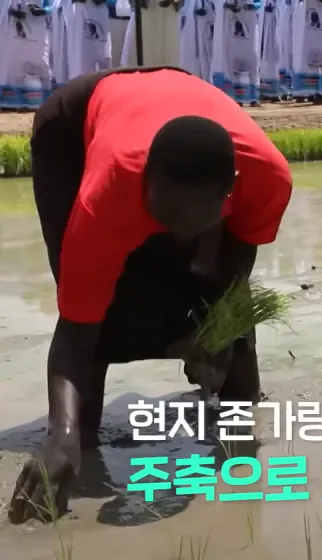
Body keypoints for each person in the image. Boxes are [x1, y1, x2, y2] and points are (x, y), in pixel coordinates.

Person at [6, 66, 293, 524]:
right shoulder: (107, 194)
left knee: (224, 307)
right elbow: (77, 327)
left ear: (230, 189)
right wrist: (61, 431)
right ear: (146, 183)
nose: (173, 232)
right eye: (164, 212)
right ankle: (74, 445)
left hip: (179, 105)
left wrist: (215, 334)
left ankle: (238, 409)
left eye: (192, 217)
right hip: (76, 123)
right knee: (99, 310)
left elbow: (234, 282)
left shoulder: (267, 179)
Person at [0, 0, 53, 110]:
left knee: (42, 63)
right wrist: (14, 12)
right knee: (16, 65)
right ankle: (14, 103)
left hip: (37, 28)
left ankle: (45, 102)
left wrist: (42, 11)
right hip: (17, 29)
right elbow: (5, 2)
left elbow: (50, 6)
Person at [212, 0, 263, 105]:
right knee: (232, 56)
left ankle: (252, 95)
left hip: (248, 19)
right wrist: (228, 6)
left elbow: (258, 0)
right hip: (232, 19)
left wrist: (251, 6)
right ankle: (234, 95)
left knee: (251, 56)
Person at [179, 0, 218, 83]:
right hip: (197, 25)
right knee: (199, 56)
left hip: (215, 25)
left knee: (215, 55)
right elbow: (186, 6)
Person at [259, 0, 288, 101]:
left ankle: (284, 89)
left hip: (282, 23)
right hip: (267, 23)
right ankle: (267, 90)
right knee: (267, 56)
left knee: (282, 54)